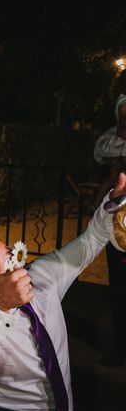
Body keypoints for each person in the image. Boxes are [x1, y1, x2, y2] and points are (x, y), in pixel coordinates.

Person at [0, 173, 126, 411]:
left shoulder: (41, 276)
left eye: (9, 256)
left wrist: (113, 204)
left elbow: (92, 240)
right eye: (0, 270)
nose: (14, 269)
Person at [92, 94, 126, 366]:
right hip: (120, 223)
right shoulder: (112, 139)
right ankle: (122, 345)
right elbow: (101, 151)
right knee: (120, 285)